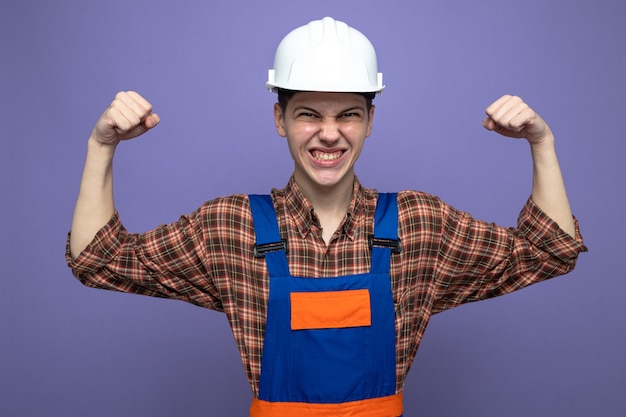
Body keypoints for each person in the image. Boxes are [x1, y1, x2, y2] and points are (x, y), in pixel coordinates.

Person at [66, 17, 586, 417]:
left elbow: (549, 251)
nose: (329, 133)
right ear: (280, 120)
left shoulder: (419, 225)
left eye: (348, 115)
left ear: (370, 121)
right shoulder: (229, 228)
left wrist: (542, 143)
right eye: (309, 113)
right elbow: (98, 260)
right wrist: (100, 146)